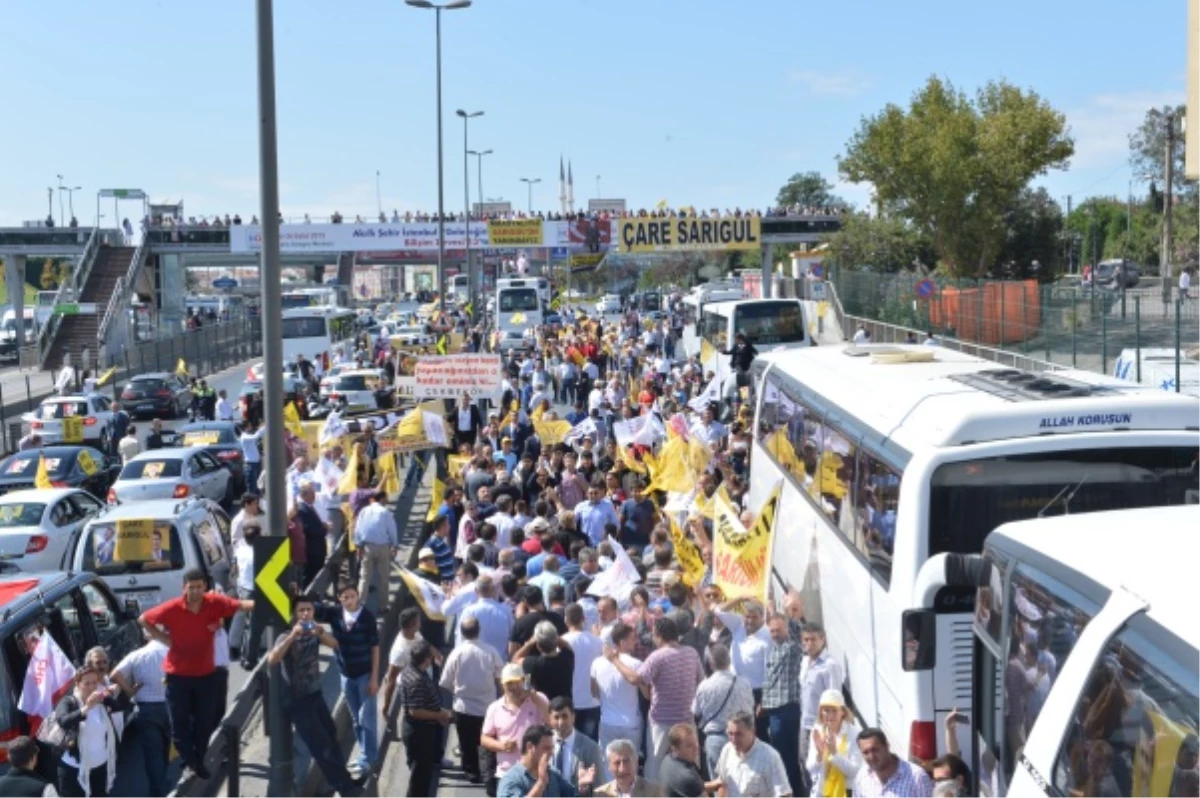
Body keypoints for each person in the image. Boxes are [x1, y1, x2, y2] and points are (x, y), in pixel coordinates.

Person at [139, 569, 250, 780]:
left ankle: (196, 759)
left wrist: (274, 602)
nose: (196, 591)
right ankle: (192, 762)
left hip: (208, 676)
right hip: (178, 677)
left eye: (200, 587)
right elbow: (144, 619)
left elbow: (240, 606)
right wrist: (164, 638)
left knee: (206, 722)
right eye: (192, 587)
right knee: (180, 725)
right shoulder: (174, 608)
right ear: (184, 588)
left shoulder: (214, 607)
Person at [268, 594, 364, 797]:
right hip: (297, 700)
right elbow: (273, 658)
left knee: (331, 736)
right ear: (295, 614)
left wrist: (320, 632)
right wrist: (293, 636)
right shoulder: (286, 635)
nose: (305, 614)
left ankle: (343, 780)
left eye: (309, 610)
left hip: (314, 694)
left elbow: (334, 644)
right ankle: (345, 789)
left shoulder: (313, 631)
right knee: (322, 748)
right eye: (301, 610)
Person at [604, 616, 705, 781]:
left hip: (661, 720)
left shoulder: (657, 656)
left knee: (655, 763)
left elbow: (636, 679)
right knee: (691, 760)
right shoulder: (692, 653)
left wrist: (615, 660)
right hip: (686, 718)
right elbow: (701, 681)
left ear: (658, 635)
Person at [315, 583, 381, 777]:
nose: (350, 600)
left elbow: (375, 647)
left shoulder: (367, 617)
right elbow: (316, 610)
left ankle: (369, 758)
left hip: (365, 675)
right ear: (340, 599)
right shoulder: (335, 614)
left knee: (366, 718)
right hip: (346, 675)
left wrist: (375, 677)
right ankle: (365, 755)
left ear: (358, 596)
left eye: (352, 596)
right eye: (345, 597)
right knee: (355, 719)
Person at [439, 615, 503, 784]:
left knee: (466, 742)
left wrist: (458, 690)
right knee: (487, 742)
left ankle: (471, 773)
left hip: (463, 706)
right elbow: (500, 677)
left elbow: (445, 681)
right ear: (479, 630)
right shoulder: (490, 651)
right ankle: (488, 772)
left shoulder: (457, 653)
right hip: (487, 706)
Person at [481, 663, 552, 795]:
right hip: (507, 773)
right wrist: (501, 745)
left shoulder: (538, 699)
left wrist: (532, 695)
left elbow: (550, 721)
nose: (514, 687)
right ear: (503, 685)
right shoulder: (495, 708)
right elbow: (484, 738)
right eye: (509, 683)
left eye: (517, 682)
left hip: (536, 771)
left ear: (524, 681)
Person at [52, 666, 122, 798]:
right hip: (74, 767)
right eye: (87, 683)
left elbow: (119, 707)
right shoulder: (69, 701)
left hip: (100, 764)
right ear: (77, 684)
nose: (91, 687)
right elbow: (63, 720)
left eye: (95, 683)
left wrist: (111, 692)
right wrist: (86, 708)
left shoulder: (101, 699)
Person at [692, 643, 755, 779]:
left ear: (710, 663)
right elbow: (750, 709)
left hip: (715, 738)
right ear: (729, 660)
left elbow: (696, 711)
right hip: (742, 737)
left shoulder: (704, 686)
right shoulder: (744, 683)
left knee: (719, 785)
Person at [398, 640, 450, 798]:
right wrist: (438, 715)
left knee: (421, 774)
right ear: (426, 659)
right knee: (420, 778)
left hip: (421, 729)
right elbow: (415, 711)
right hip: (419, 732)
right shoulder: (417, 680)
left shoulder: (410, 670)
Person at [497, 724, 596, 798]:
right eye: (546, 748)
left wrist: (582, 788)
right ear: (530, 747)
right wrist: (541, 783)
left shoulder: (552, 773)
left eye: (552, 748)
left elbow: (572, 796)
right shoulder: (511, 780)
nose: (551, 753)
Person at [712, 710, 793, 798]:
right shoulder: (727, 750)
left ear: (752, 731)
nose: (734, 740)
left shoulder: (770, 757)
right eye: (730, 734)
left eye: (739, 734)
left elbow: (784, 794)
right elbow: (722, 784)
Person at [805, 689, 862, 798]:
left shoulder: (855, 733)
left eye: (834, 710)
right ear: (821, 713)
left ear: (843, 712)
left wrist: (835, 753)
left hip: (847, 792)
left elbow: (854, 772)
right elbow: (810, 768)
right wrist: (820, 755)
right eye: (826, 710)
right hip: (821, 792)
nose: (830, 715)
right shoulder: (817, 730)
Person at [547, 697, 608, 791]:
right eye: (556, 717)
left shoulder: (590, 747)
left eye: (564, 716)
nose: (561, 722)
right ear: (550, 719)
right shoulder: (543, 744)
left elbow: (600, 787)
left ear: (573, 717)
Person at [852, 728, 933, 798]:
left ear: (887, 746)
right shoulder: (862, 777)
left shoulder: (917, 777)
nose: (871, 757)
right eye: (866, 752)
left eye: (875, 750)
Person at [353, 489, 398, 614]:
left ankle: (359, 605)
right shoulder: (385, 512)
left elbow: (358, 529)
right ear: (382, 498)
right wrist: (395, 545)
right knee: (384, 578)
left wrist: (358, 545)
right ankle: (382, 606)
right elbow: (392, 530)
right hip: (383, 547)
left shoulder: (364, 511)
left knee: (365, 577)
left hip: (367, 546)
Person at [594, 738, 666, 798]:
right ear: (609, 767)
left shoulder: (654, 791)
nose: (622, 769)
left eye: (626, 761)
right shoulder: (600, 794)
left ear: (636, 762)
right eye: (617, 763)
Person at [658, 723, 708, 798]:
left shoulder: (667, 760)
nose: (696, 748)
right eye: (689, 746)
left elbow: (696, 787)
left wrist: (717, 783)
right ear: (674, 748)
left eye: (696, 743)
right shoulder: (686, 776)